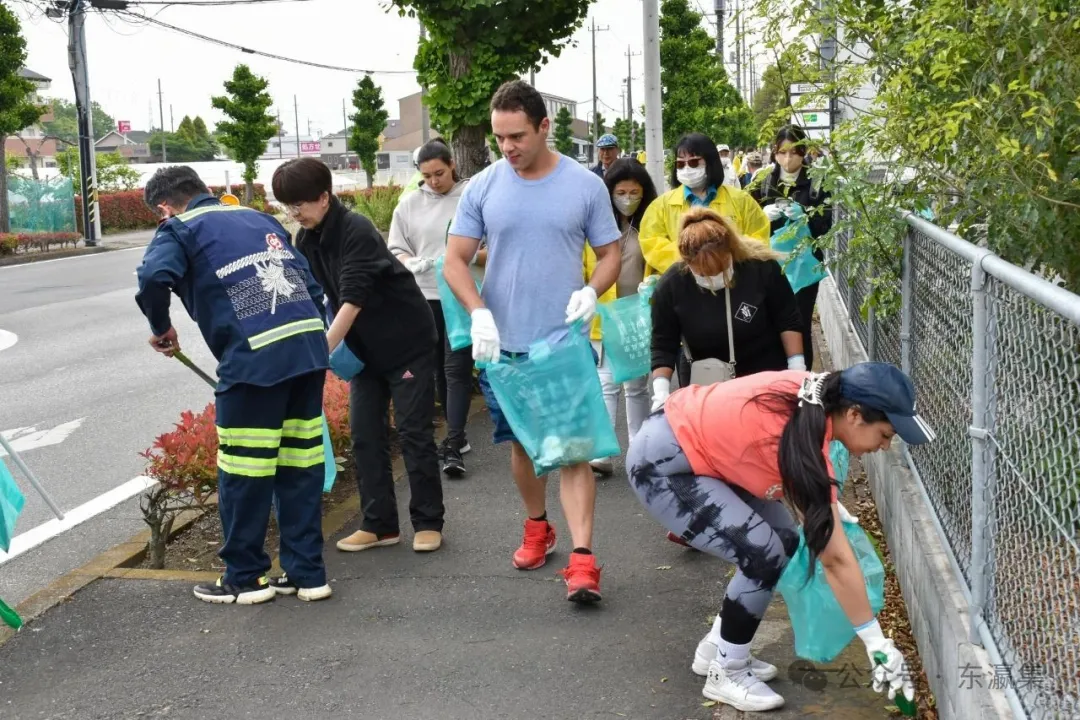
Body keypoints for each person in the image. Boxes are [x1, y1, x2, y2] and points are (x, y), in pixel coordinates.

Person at [627, 362, 932, 711]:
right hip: (663, 463)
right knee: (761, 554)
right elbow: (834, 558)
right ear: (854, 415)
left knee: (785, 539)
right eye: (886, 435)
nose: (884, 446)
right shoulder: (801, 431)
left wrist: (827, 506)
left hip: (699, 450)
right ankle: (727, 672)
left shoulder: (814, 401)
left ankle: (719, 647)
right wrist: (877, 643)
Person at [444, 79, 622, 603]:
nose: (508, 147)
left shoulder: (585, 186)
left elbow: (611, 253)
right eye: (500, 138)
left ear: (544, 127)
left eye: (517, 135)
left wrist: (593, 289)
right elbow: (455, 259)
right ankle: (537, 524)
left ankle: (584, 559)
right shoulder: (483, 187)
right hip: (504, 347)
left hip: (563, 343)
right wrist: (478, 314)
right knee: (521, 444)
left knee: (572, 450)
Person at [135, 165, 331, 605]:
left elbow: (151, 279)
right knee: (299, 466)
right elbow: (311, 282)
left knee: (244, 469)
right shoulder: (259, 218)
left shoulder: (179, 229)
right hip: (308, 352)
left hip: (255, 360)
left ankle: (244, 578)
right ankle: (307, 575)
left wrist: (161, 327)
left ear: (165, 207)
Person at [271, 158, 446, 555]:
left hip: (406, 343)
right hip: (364, 351)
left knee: (413, 432)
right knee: (366, 435)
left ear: (323, 197)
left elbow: (352, 299)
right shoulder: (307, 239)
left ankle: (428, 521)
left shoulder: (357, 230)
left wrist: (320, 352)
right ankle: (380, 525)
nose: (294, 214)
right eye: (287, 207)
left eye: (299, 205)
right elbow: (318, 298)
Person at [639, 133, 771, 385]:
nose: (686, 168)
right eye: (680, 164)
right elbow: (652, 244)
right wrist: (697, 262)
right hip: (687, 294)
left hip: (736, 289)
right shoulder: (661, 206)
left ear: (709, 162)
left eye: (693, 162)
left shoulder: (740, 201)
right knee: (692, 366)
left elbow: (759, 235)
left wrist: (727, 258)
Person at [649, 206, 806, 411]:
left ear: (730, 251)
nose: (712, 278)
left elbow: (788, 319)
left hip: (764, 378)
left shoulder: (760, 267)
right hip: (708, 386)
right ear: (687, 263)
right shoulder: (670, 286)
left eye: (718, 270)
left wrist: (796, 368)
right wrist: (661, 393)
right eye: (702, 273)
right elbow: (662, 344)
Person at [387, 138, 478, 478]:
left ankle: (453, 444)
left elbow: (491, 245)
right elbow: (395, 246)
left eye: (439, 173)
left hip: (460, 294)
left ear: (452, 164)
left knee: (456, 369)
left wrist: (458, 259)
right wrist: (410, 262)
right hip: (422, 297)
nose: (434, 181)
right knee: (436, 369)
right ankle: (458, 434)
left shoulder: (471, 196)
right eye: (426, 176)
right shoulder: (409, 204)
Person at [583, 158, 659, 475]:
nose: (627, 198)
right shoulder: (594, 227)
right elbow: (584, 266)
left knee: (637, 387)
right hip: (603, 314)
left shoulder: (651, 226)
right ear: (609, 192)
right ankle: (601, 452)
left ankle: (639, 452)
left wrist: (656, 284)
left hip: (639, 316)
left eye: (634, 192)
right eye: (621, 191)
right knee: (606, 383)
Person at [750, 125, 833, 371]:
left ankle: (802, 379)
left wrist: (805, 215)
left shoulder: (817, 183)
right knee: (770, 322)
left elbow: (826, 227)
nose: (788, 158)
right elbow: (746, 224)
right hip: (770, 266)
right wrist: (762, 216)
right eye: (782, 152)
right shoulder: (763, 182)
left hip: (804, 269)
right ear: (774, 152)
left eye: (794, 151)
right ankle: (776, 376)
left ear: (803, 152)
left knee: (799, 323)